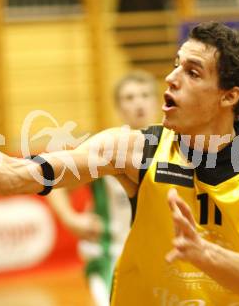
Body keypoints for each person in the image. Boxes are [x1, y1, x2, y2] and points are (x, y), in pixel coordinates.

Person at [0, 22, 239, 305]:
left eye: (192, 72)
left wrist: (202, 252)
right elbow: (17, 176)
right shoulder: (133, 148)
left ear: (228, 97)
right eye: (176, 65)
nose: (171, 78)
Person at [47, 71, 159, 306]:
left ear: (157, 103)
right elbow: (54, 182)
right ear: (119, 109)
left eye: (144, 95)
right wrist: (70, 219)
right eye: (129, 98)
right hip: (112, 256)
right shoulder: (105, 150)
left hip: (159, 259)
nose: (138, 103)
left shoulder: (176, 148)